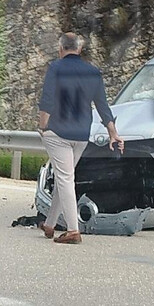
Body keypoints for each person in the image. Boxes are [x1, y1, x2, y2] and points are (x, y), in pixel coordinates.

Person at [38, 33, 124, 244]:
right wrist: (113, 133)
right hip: (82, 134)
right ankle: (50, 224)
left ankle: (73, 230)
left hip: (58, 132)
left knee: (65, 178)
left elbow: (47, 100)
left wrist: (42, 126)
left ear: (60, 49)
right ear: (79, 49)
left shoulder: (56, 68)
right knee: (64, 177)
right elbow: (102, 105)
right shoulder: (93, 72)